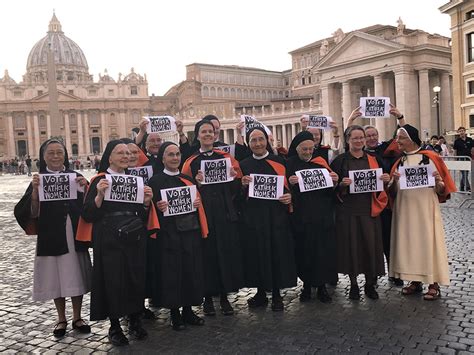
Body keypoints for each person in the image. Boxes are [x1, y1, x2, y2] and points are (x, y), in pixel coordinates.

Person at [80, 140, 157, 346]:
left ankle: (134, 319)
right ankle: (114, 326)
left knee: (135, 277)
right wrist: (99, 196)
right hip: (109, 237)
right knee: (112, 281)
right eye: (120, 153)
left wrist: (146, 203)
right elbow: (88, 214)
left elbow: (141, 214)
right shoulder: (99, 180)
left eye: (128, 153)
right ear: (110, 157)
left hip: (133, 235)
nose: (125, 156)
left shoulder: (135, 181)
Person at [14, 138, 92, 338]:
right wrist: (34, 194)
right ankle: (61, 318)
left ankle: (77, 316)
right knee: (56, 276)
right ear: (44, 157)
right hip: (51, 233)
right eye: (51, 153)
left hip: (73, 232)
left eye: (59, 152)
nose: (56, 156)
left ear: (65, 154)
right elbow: (28, 212)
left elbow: (90, 208)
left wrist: (86, 187)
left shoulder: (76, 177)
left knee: (76, 274)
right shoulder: (39, 180)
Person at [182, 119, 244, 316]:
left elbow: (237, 189)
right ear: (198, 135)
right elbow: (185, 191)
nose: (208, 135)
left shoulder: (227, 158)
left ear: (215, 135)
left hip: (224, 212)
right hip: (204, 213)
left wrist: (235, 178)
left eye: (210, 132)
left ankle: (225, 296)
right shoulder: (190, 162)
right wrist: (196, 183)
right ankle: (207, 297)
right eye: (204, 132)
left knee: (224, 253)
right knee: (206, 255)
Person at [388, 124, 456, 300]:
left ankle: (433, 283)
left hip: (425, 208)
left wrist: (438, 182)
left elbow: (442, 189)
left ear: (411, 139)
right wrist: (393, 182)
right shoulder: (399, 161)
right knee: (409, 244)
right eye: (397, 138)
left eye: (401, 138)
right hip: (404, 210)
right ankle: (415, 281)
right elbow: (392, 193)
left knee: (428, 243)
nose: (398, 141)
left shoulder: (430, 158)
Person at [148, 142, 208, 330]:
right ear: (163, 158)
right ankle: (175, 313)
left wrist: (198, 203)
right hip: (168, 234)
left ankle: (189, 310)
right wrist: (157, 208)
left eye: (177, 154)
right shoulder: (155, 181)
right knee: (172, 274)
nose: (175, 158)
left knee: (191, 271)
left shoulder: (188, 179)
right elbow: (149, 211)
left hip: (189, 232)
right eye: (170, 155)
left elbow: (198, 204)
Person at [345, 104, 406, 287]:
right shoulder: (354, 153)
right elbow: (348, 139)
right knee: (369, 241)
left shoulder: (384, 151)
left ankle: (393, 272)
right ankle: (373, 273)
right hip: (362, 203)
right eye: (367, 136)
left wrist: (400, 116)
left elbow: (401, 136)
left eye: (373, 135)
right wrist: (350, 121)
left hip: (383, 201)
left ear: (377, 136)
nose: (370, 138)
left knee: (388, 239)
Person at [239, 127, 297, 311]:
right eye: (254, 140)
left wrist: (289, 197)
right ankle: (261, 292)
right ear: (249, 143)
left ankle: (277, 294)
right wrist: (241, 186)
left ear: (267, 141)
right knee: (257, 254)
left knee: (276, 253)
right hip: (254, 217)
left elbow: (288, 187)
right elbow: (237, 196)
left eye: (261, 139)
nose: (257, 143)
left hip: (276, 216)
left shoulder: (280, 162)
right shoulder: (243, 164)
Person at [330, 125, 390, 300]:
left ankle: (370, 284)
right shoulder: (340, 161)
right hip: (348, 211)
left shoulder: (374, 159)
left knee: (371, 248)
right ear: (348, 140)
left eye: (361, 138)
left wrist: (386, 179)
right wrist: (341, 185)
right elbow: (331, 187)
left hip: (369, 210)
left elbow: (383, 184)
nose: (358, 141)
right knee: (352, 248)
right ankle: (354, 284)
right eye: (355, 138)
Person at [286, 131, 339, 302]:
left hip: (321, 216)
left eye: (311, 149)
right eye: (304, 149)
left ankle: (322, 287)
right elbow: (283, 190)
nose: (308, 152)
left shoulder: (321, 163)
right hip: (301, 217)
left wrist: (335, 181)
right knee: (304, 252)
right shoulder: (289, 164)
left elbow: (331, 191)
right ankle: (307, 285)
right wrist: (290, 183)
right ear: (297, 149)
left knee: (322, 252)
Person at [453, 126, 473, 192]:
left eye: (462, 131)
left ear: (465, 131)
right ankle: (468, 188)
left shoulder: (470, 139)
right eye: (460, 131)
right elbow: (455, 151)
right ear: (458, 132)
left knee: (466, 174)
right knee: (464, 173)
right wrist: (455, 160)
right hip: (461, 159)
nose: (461, 132)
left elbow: (473, 149)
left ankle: (461, 186)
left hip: (468, 159)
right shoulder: (456, 141)